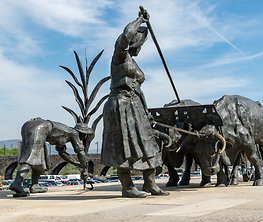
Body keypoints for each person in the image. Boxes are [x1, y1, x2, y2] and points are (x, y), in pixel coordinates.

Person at [101, 10, 170, 198]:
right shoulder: (120, 57)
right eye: (139, 44)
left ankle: (150, 183)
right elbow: (124, 36)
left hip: (135, 106)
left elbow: (138, 91)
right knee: (123, 147)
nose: (140, 48)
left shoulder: (133, 62)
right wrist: (140, 20)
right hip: (119, 106)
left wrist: (145, 111)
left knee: (149, 144)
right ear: (133, 44)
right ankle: (128, 187)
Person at [10, 117, 91, 197]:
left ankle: (34, 185)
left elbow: (63, 154)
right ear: (82, 133)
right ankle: (17, 183)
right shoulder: (74, 133)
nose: (84, 137)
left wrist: (76, 163)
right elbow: (80, 151)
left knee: (40, 160)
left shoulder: (65, 134)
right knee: (31, 157)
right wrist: (84, 168)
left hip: (32, 126)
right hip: (40, 128)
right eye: (85, 135)